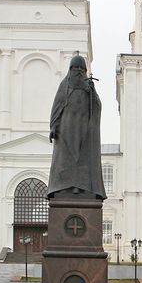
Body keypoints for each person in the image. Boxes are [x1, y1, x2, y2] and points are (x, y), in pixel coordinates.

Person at [47, 54, 106, 199]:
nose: (79, 71)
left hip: (85, 131)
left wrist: (92, 93)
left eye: (82, 68)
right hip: (66, 130)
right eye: (76, 68)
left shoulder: (88, 88)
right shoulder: (64, 85)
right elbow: (57, 106)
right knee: (65, 160)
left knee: (84, 160)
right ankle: (63, 187)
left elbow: (97, 107)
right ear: (70, 69)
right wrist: (54, 126)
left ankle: (82, 188)